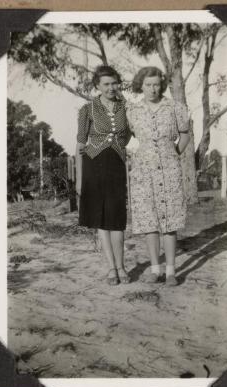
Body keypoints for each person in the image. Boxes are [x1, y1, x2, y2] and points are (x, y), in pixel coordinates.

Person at [126, 66, 190, 286]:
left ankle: (171, 272)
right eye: (148, 85)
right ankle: (155, 269)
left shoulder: (175, 107)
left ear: (161, 85)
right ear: (141, 86)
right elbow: (130, 138)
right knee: (150, 222)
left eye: (156, 84)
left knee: (169, 221)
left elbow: (184, 135)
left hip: (169, 170)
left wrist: (172, 154)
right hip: (143, 172)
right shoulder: (132, 111)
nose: (153, 89)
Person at [76, 65, 132, 285]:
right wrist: (79, 179)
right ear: (97, 86)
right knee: (101, 219)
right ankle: (111, 268)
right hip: (93, 166)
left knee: (117, 219)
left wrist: (118, 146)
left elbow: (127, 136)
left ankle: (122, 266)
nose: (111, 88)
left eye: (114, 83)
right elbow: (80, 144)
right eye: (106, 84)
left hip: (117, 165)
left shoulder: (125, 107)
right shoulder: (87, 109)